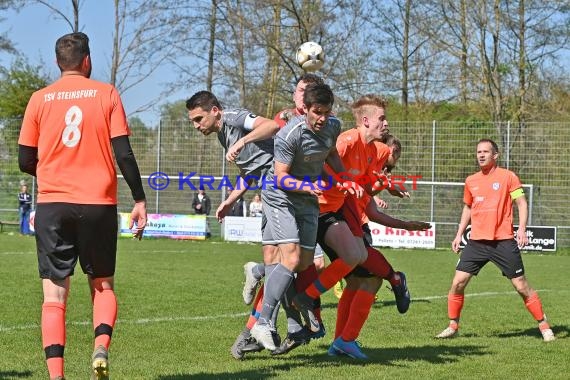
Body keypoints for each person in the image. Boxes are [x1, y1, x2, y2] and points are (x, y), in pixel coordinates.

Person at [17, 32, 147, 380]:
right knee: (102, 284)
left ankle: (56, 376)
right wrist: (139, 199)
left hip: (53, 203)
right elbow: (124, 153)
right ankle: (100, 346)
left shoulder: (39, 99)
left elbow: (24, 158)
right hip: (98, 203)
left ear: (58, 63)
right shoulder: (106, 93)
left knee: (54, 296)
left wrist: (49, 171)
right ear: (87, 61)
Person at [250, 83, 363, 351]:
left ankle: (257, 270)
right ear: (306, 110)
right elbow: (280, 177)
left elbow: (332, 154)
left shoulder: (333, 126)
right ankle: (263, 321)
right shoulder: (290, 135)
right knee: (289, 257)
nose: (322, 118)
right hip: (280, 196)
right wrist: (304, 186)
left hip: (307, 198)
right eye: (316, 112)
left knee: (301, 264)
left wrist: (345, 178)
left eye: (326, 111)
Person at [185, 90, 282, 359]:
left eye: (198, 119)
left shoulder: (235, 118)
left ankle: (262, 313)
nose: (196, 126)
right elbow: (248, 172)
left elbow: (272, 124)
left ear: (215, 110)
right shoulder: (221, 135)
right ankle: (264, 327)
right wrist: (229, 201)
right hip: (273, 195)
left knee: (293, 263)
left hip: (282, 189)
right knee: (294, 264)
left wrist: (243, 141)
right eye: (192, 121)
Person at [435, 139, 555, 342]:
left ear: (495, 155)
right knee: (458, 283)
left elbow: (521, 203)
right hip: (476, 243)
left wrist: (522, 229)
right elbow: (468, 208)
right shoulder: (471, 180)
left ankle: (544, 325)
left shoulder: (508, 177)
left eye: (485, 152)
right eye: (478, 152)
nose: (481, 155)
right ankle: (453, 325)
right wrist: (459, 234)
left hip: (503, 241)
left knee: (521, 286)